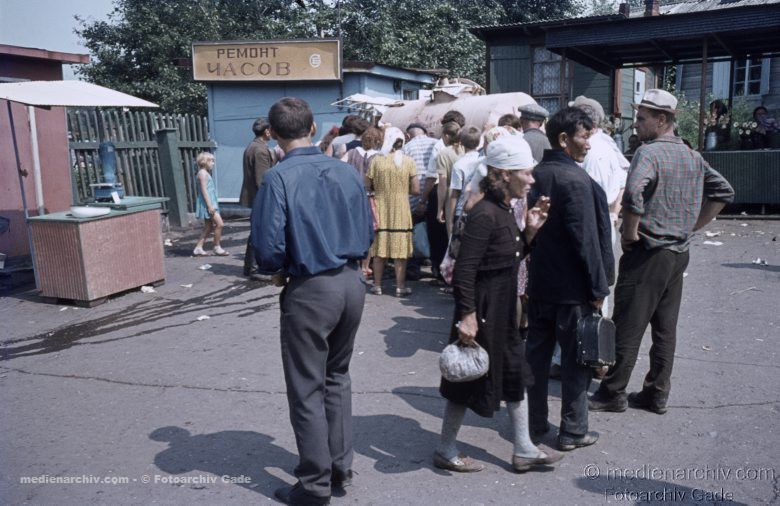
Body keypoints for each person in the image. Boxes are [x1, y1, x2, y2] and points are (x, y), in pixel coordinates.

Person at [251, 97, 373, 506]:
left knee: (307, 387)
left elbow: (267, 247)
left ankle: (315, 484)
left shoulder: (279, 177)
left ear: (272, 133)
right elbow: (367, 226)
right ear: (314, 127)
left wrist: (278, 267)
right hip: (351, 282)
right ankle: (339, 467)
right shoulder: (346, 171)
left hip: (311, 288)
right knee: (337, 377)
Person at [589, 89, 735, 416]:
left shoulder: (649, 153)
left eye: (641, 119)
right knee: (665, 328)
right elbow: (724, 191)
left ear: (662, 120)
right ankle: (657, 392)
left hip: (649, 252)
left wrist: (628, 236)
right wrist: (693, 226)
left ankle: (612, 392)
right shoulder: (691, 155)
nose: (636, 125)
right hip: (678, 253)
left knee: (627, 323)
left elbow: (634, 195)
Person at [434, 136, 560, 474]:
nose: (532, 180)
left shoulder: (504, 211)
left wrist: (530, 233)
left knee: (515, 373)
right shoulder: (484, 215)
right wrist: (468, 316)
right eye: (527, 173)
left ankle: (524, 449)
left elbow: (509, 258)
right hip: (483, 311)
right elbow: (464, 270)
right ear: (504, 174)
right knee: (467, 379)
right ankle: (445, 449)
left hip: (502, 309)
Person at [524, 107, 612, 452]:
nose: (588, 144)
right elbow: (586, 241)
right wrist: (598, 288)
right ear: (564, 139)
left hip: (541, 285)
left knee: (537, 357)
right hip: (572, 290)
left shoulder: (537, 175)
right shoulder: (575, 180)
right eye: (583, 136)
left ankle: (533, 424)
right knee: (576, 361)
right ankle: (573, 431)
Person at [366, 127, 419, 296]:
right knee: (400, 252)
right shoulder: (408, 161)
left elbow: (367, 185)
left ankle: (377, 285)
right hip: (401, 209)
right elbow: (416, 189)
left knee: (379, 250)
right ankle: (400, 286)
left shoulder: (377, 161)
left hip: (381, 207)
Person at [240, 117, 276, 277]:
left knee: (256, 231)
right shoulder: (260, 150)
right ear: (267, 131)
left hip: (254, 196)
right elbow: (262, 180)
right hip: (260, 197)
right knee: (259, 232)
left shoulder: (252, 146)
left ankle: (249, 267)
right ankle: (254, 268)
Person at [192, 152, 229, 257]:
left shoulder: (204, 173)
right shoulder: (203, 174)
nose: (213, 163)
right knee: (220, 224)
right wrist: (209, 206)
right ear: (205, 161)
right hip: (209, 204)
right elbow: (204, 191)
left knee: (208, 227)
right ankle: (216, 246)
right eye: (211, 161)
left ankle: (198, 247)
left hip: (210, 203)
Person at [447, 126, 482, 232]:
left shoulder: (458, 165)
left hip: (462, 213)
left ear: (461, 142)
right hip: (479, 210)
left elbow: (455, 194)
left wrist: (450, 220)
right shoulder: (483, 161)